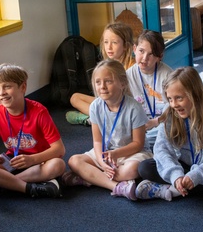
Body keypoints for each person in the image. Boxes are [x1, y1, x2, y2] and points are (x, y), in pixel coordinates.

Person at [133, 67, 203, 201]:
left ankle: (168, 190)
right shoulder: (170, 111)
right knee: (145, 167)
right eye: (170, 99)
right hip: (182, 165)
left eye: (179, 98)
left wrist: (196, 175)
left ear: (194, 94)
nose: (174, 104)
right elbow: (161, 148)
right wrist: (175, 175)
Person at [63, 60, 149, 196]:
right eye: (98, 82)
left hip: (130, 153)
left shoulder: (134, 108)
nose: (102, 86)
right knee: (74, 161)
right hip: (107, 152)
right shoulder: (95, 106)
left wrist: (116, 154)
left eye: (108, 81)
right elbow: (97, 142)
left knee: (132, 170)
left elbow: (138, 144)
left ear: (122, 83)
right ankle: (117, 186)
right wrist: (103, 163)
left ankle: (90, 177)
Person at [0, 63, 66, 198]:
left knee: (58, 165)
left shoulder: (39, 111)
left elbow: (59, 150)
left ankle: (6, 184)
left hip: (38, 162)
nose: (2, 92)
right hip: (12, 162)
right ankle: (28, 188)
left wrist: (32, 160)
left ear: (23, 87)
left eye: (7, 87)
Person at [67, 22, 135, 126]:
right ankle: (99, 117)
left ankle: (93, 119)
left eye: (115, 43)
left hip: (124, 105)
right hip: (106, 102)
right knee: (75, 98)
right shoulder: (105, 66)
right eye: (106, 42)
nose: (109, 47)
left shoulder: (132, 67)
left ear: (125, 46)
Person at [126, 30, 173, 150]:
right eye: (141, 51)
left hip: (163, 123)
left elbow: (174, 109)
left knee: (170, 130)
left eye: (151, 54)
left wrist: (155, 122)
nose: (144, 58)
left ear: (160, 57)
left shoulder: (168, 75)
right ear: (134, 49)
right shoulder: (127, 76)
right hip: (139, 125)